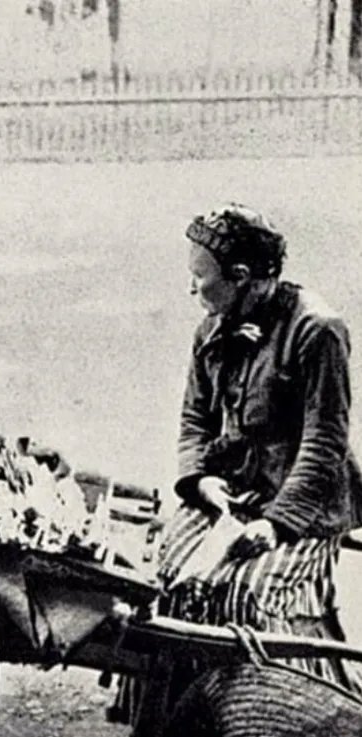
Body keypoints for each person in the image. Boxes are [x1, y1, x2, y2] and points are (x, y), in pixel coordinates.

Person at [111, 203, 362, 731]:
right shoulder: (213, 328)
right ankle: (174, 718)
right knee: (168, 577)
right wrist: (202, 482)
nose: (192, 291)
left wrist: (275, 526)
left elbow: (324, 446)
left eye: (199, 279)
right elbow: (193, 421)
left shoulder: (318, 332)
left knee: (248, 594)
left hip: (304, 507)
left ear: (241, 277)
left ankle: (279, 714)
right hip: (230, 496)